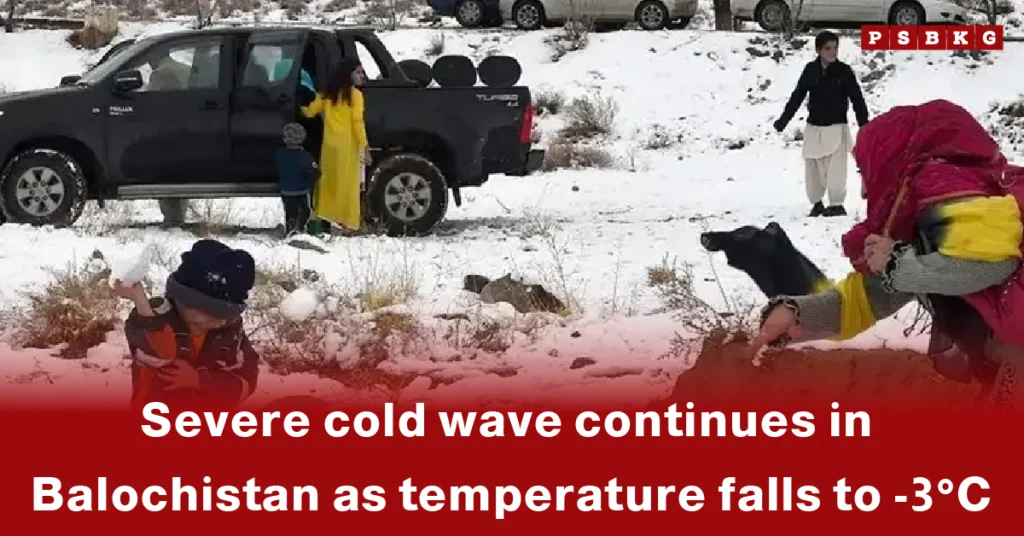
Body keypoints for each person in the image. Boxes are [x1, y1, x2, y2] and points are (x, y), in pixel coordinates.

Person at [750, 99, 1024, 408]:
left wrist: (897, 263)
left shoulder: (948, 189)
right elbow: (868, 299)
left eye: (865, 168)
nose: (866, 190)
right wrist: (796, 315)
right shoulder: (923, 218)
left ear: (891, 160)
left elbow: (987, 265)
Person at [113, 239, 259, 411]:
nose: (221, 322)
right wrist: (140, 302)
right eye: (213, 314)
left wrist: (200, 381)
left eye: (228, 315)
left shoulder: (228, 329)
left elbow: (246, 379)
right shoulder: (156, 315)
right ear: (185, 301)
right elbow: (157, 356)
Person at [773, 30, 869, 218]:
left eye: (835, 48)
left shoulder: (844, 72)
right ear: (818, 50)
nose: (833, 52)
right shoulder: (811, 70)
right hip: (814, 128)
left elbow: (857, 98)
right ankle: (816, 202)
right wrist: (783, 121)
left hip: (837, 127)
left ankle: (836, 204)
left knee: (836, 170)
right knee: (813, 168)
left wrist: (865, 125)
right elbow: (798, 95)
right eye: (828, 48)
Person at [300, 58, 370, 234]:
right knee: (347, 184)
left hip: (330, 145)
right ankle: (346, 221)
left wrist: (297, 102)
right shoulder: (356, 96)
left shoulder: (327, 94)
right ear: (349, 74)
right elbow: (357, 122)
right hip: (347, 145)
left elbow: (310, 112)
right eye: (359, 72)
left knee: (328, 182)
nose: (363, 76)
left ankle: (324, 215)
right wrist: (365, 147)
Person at [276, 122, 319, 237]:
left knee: (290, 212)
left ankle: (290, 229)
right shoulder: (306, 156)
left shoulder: (280, 154)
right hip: (302, 191)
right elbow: (314, 172)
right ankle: (299, 228)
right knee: (305, 210)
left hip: (286, 191)